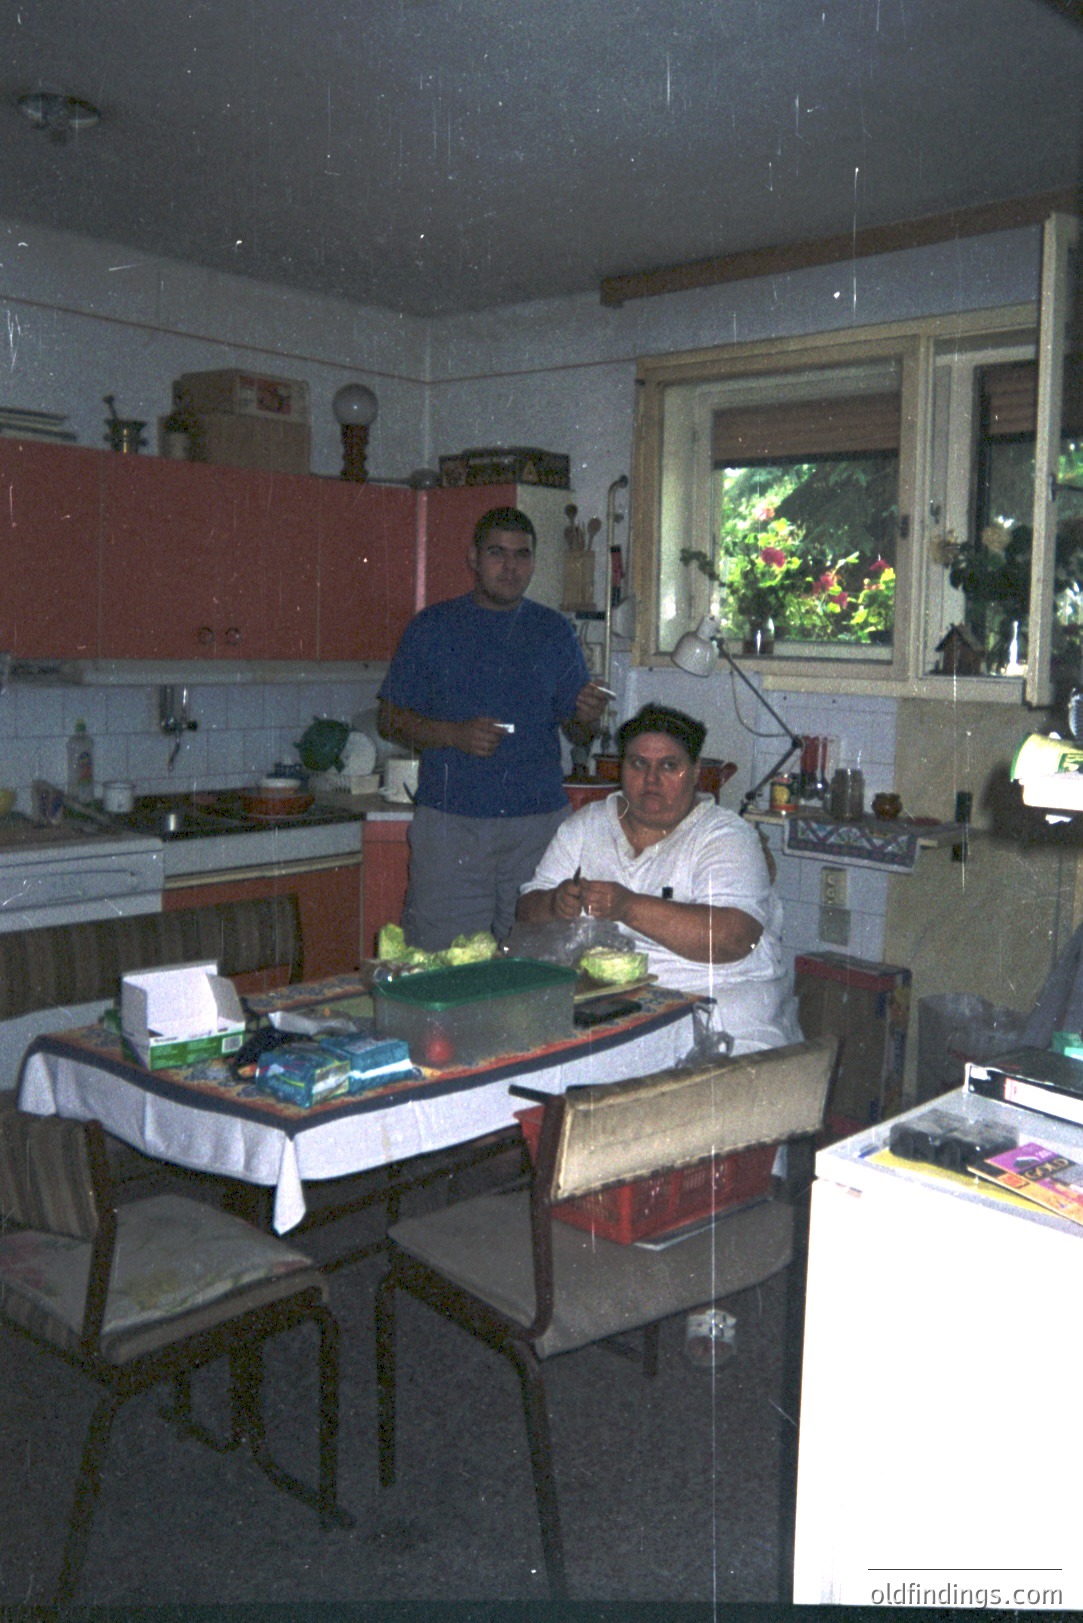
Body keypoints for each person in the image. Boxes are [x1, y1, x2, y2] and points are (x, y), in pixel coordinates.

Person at [377, 505, 609, 950]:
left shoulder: (554, 632)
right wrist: (454, 735)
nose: (510, 567)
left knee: (537, 961)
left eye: (522, 555)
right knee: (445, 960)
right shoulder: (433, 627)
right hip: (452, 827)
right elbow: (388, 719)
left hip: (538, 829)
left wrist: (588, 715)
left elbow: (579, 735)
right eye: (497, 553)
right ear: (473, 558)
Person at [517, 701, 800, 1055]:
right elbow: (525, 913)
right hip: (612, 1006)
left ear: (695, 772)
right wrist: (554, 904)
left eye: (669, 766)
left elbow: (733, 937)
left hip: (723, 1008)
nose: (651, 780)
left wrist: (627, 906)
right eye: (638, 764)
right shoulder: (587, 826)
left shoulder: (726, 836)